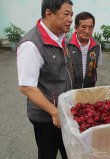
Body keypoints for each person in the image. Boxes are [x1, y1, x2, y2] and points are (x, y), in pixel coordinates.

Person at [16, 0, 73, 158]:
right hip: (47, 116)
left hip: (63, 110)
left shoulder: (59, 34)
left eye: (72, 15)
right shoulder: (31, 45)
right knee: (48, 154)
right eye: (66, 14)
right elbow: (26, 87)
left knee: (70, 151)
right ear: (49, 14)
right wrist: (54, 112)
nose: (70, 19)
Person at [67, 12, 102, 88]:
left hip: (89, 88)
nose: (87, 31)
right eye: (83, 27)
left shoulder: (97, 46)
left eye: (90, 27)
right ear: (76, 27)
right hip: (70, 88)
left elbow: (97, 66)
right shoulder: (66, 45)